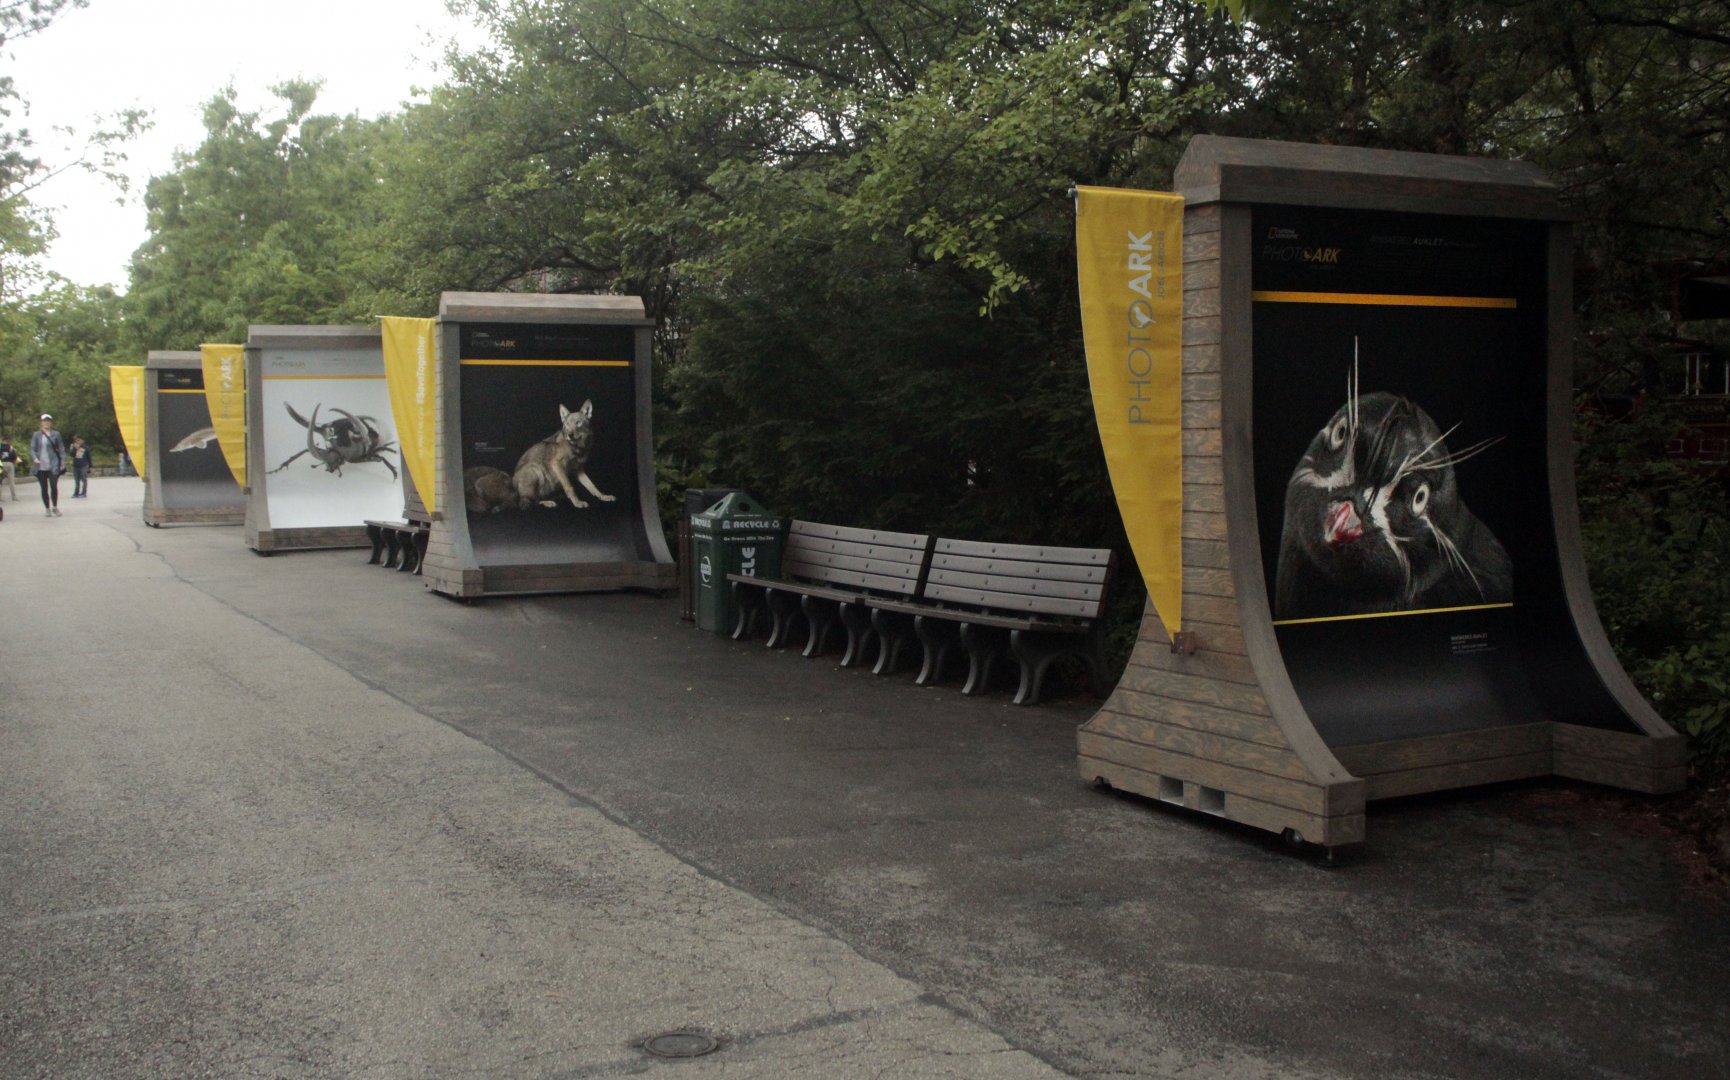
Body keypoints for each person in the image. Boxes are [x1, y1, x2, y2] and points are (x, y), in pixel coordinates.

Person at [30, 413, 65, 517]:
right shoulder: (36, 435)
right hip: (40, 466)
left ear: (51, 423)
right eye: (45, 421)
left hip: (53, 465)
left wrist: (63, 462)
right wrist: (35, 458)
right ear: (41, 423)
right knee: (44, 488)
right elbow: (32, 448)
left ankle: (55, 506)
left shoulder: (56, 434)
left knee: (54, 486)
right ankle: (47, 508)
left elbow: (62, 449)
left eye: (48, 421)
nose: (47, 423)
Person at [0, 434, 18, 501]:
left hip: (1, 464)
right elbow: (15, 456)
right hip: (10, 464)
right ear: (8, 440)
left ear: (2, 440)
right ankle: (13, 496)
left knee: (0, 481)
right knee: (11, 481)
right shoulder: (11, 447)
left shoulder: (0, 447)